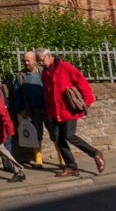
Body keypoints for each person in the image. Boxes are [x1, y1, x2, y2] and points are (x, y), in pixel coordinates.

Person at [37, 47, 105, 176]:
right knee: (57, 138)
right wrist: (49, 111)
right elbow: (48, 93)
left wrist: (87, 101)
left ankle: (95, 153)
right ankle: (71, 166)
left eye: (41, 61)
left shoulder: (65, 67)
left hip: (68, 110)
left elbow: (81, 82)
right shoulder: (45, 73)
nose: (41, 64)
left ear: (48, 56)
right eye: (39, 62)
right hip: (54, 112)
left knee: (69, 135)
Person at [13, 51, 47, 167]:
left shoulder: (44, 72)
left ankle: (62, 158)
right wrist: (20, 109)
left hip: (48, 108)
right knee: (36, 134)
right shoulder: (21, 76)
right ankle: (38, 159)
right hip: (32, 110)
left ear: (35, 61)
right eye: (24, 60)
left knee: (55, 133)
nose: (26, 62)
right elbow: (16, 94)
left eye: (28, 60)